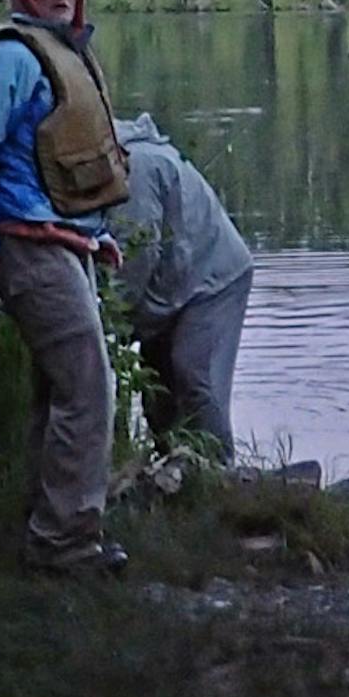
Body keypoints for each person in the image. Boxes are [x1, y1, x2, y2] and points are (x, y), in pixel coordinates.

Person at [0, 0, 130, 575]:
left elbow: (53, 164)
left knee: (60, 390)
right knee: (88, 387)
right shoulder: (12, 58)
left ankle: (46, 524)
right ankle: (65, 542)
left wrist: (94, 234)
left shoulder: (63, 54)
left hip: (62, 241)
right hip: (26, 245)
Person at [113, 113, 256, 455]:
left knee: (194, 376)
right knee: (157, 387)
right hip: (172, 281)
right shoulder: (106, 164)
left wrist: (112, 319)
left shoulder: (136, 169)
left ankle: (219, 471)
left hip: (215, 277)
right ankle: (171, 469)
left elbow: (138, 254)